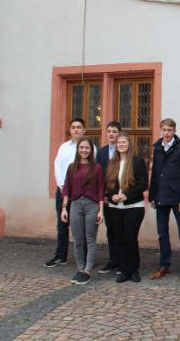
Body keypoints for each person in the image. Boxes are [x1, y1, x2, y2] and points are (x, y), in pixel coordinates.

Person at [148, 118, 180, 283]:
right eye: (164, 130)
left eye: (169, 130)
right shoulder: (158, 147)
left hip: (177, 198)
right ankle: (164, 265)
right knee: (162, 233)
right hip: (161, 196)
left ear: (174, 130)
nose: (166, 133)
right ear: (161, 130)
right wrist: (152, 195)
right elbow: (155, 173)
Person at [60, 137, 104, 285]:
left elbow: (100, 190)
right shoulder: (72, 167)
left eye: (87, 148)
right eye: (81, 148)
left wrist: (100, 211)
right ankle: (80, 269)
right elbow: (66, 189)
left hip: (92, 205)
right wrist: (64, 209)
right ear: (78, 150)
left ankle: (87, 270)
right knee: (78, 240)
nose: (84, 150)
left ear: (91, 150)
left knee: (90, 239)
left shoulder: (96, 167)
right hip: (76, 205)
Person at [104, 133, 147, 283]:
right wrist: (112, 197)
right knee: (119, 239)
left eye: (124, 142)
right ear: (115, 145)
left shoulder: (137, 161)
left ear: (129, 144)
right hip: (114, 207)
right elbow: (106, 185)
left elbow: (143, 184)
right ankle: (122, 270)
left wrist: (126, 196)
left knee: (130, 238)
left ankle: (133, 270)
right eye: (119, 142)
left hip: (133, 206)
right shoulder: (112, 162)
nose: (121, 144)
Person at [45, 117, 86, 268]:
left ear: (84, 130)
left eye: (79, 127)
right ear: (70, 130)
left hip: (81, 193)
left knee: (81, 225)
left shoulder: (88, 147)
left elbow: (91, 170)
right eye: (73, 127)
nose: (76, 129)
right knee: (62, 224)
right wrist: (62, 186)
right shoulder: (63, 147)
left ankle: (84, 257)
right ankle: (61, 255)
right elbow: (58, 166)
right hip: (63, 191)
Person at [96, 120, 121, 274]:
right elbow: (98, 177)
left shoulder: (124, 150)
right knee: (111, 230)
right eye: (109, 131)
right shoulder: (101, 152)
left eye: (114, 132)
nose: (111, 134)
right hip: (106, 198)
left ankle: (122, 260)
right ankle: (113, 260)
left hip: (122, 197)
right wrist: (103, 195)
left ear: (119, 134)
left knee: (122, 231)